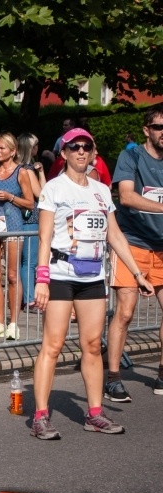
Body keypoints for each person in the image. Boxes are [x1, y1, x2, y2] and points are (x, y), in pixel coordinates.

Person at [30, 127, 153, 440]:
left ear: (93, 152)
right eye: (75, 147)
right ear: (65, 153)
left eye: (86, 147)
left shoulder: (100, 191)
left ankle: (95, 413)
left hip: (92, 277)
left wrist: (138, 274)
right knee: (53, 345)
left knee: (91, 347)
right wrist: (41, 279)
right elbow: (44, 237)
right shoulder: (54, 189)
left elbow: (115, 235)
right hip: (59, 275)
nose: (81, 152)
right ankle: (41, 416)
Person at [107, 104, 163, 401]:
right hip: (133, 244)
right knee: (126, 313)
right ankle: (113, 377)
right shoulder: (131, 156)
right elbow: (126, 197)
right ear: (147, 130)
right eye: (159, 127)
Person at [0, 133, 35, 340]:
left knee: (12, 275)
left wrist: (9, 196)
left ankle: (13, 323)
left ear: (13, 151)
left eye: (2, 148)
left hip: (13, 225)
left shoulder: (21, 173)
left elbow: (30, 203)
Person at [16, 133, 46, 310]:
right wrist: (41, 173)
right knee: (30, 262)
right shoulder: (27, 169)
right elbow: (42, 194)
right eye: (35, 146)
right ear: (30, 148)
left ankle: (25, 298)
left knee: (22, 262)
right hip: (31, 218)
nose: (37, 148)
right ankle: (29, 300)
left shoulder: (15, 168)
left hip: (19, 218)